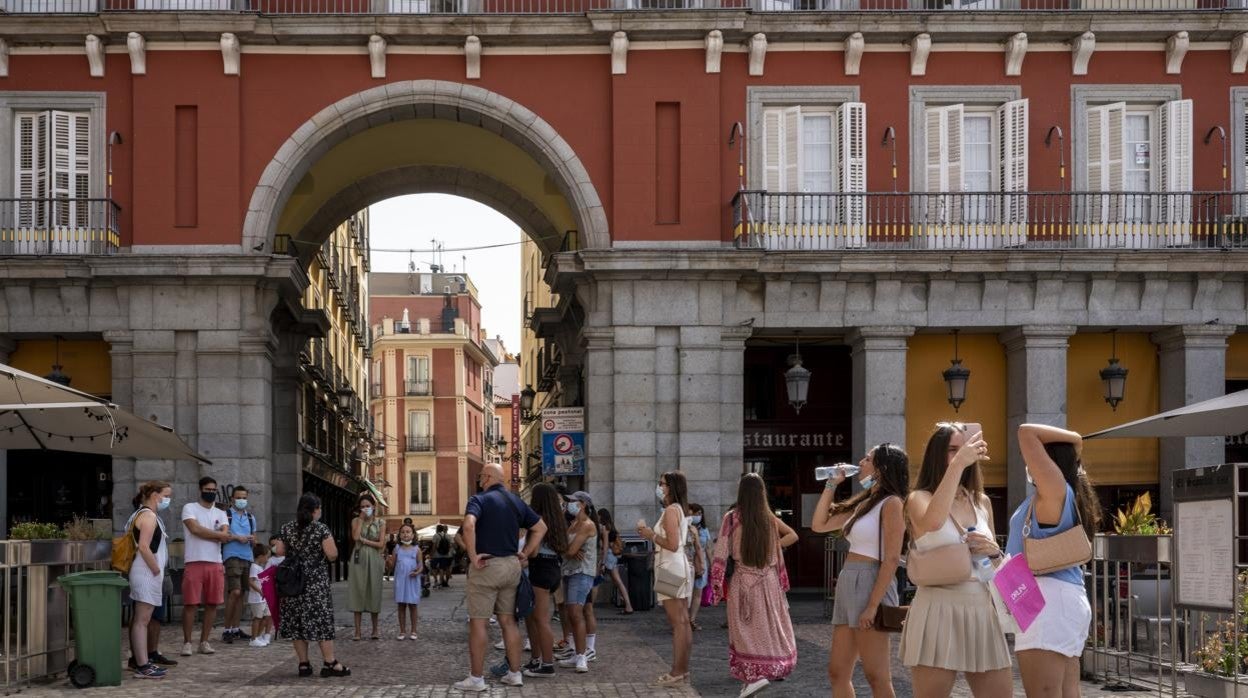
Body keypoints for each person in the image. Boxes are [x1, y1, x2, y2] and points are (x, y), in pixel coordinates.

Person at [900, 423, 1012, 697]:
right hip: (938, 607)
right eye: (952, 449)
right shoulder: (918, 498)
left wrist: (994, 551)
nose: (961, 454)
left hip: (982, 608)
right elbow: (934, 522)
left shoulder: (981, 501)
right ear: (936, 455)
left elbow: (995, 566)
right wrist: (959, 464)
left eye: (964, 448)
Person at [1008, 424, 1102, 698]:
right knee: (1064, 691)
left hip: (1046, 600)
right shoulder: (1060, 494)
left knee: (1044, 692)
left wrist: (1075, 439)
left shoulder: (1055, 491)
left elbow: (1025, 432)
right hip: (1055, 599)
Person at [812, 444, 910, 698]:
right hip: (849, 579)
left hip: (871, 580)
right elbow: (819, 524)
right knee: (837, 671)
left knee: (876, 675)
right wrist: (831, 485)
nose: (861, 462)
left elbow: (890, 559)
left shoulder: (892, 504)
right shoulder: (865, 503)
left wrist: (873, 605)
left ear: (881, 469)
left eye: (868, 458)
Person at [453, 463, 548, 693]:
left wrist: (473, 555)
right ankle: (515, 674)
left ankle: (476, 679)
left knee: (479, 622)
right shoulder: (516, 501)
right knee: (509, 621)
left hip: (487, 566)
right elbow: (541, 527)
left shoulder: (479, 500)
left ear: (486, 478)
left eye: (480, 477)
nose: (480, 481)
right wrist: (525, 554)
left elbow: (468, 525)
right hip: (511, 565)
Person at [710, 473, 799, 698]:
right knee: (766, 630)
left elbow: (720, 551)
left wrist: (716, 584)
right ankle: (755, 681)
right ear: (762, 493)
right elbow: (793, 536)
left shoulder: (731, 518)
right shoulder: (768, 518)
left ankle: (753, 679)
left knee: (743, 632)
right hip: (768, 582)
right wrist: (772, 547)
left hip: (743, 581)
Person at [278, 493, 350, 678]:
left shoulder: (287, 528)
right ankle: (330, 663)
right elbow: (332, 554)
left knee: (297, 623)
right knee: (321, 621)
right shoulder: (320, 529)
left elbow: (279, 551)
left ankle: (303, 664)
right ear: (315, 510)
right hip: (314, 583)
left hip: (293, 582)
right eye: (320, 509)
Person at [637, 470, 694, 687]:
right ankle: (682, 670)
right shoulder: (679, 509)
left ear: (671, 487)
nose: (659, 487)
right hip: (677, 565)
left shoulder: (671, 510)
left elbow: (671, 544)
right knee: (683, 621)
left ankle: (677, 671)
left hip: (670, 566)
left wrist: (650, 534)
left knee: (678, 623)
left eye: (662, 483)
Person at [125, 491, 179, 674]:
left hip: (146, 571)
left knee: (143, 619)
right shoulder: (148, 515)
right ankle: (142, 664)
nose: (167, 499)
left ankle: (143, 661)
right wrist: (155, 568)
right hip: (146, 572)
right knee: (142, 620)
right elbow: (144, 546)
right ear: (155, 495)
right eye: (166, 494)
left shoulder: (141, 514)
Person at [181, 476, 234, 657]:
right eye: (208, 489)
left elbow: (225, 535)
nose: (211, 493)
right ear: (200, 489)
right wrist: (216, 535)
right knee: (191, 603)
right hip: (194, 561)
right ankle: (187, 642)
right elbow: (194, 529)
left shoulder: (220, 513)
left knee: (212, 604)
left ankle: (204, 641)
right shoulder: (189, 508)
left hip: (215, 562)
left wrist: (210, 534)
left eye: (214, 490)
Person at [522, 483, 569, 678]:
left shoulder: (538, 521)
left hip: (539, 568)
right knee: (536, 619)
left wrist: (523, 552)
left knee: (540, 620)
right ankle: (536, 660)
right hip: (553, 568)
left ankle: (547, 664)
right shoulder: (558, 520)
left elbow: (532, 551)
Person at [558, 491, 598, 674]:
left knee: (576, 612)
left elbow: (570, 549)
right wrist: (568, 550)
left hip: (582, 572)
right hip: (569, 571)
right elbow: (565, 549)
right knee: (571, 613)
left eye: (572, 502)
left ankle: (582, 656)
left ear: (582, 504)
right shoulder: (574, 524)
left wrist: (568, 550)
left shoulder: (587, 525)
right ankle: (577, 652)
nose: (568, 505)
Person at [222, 485, 257, 644]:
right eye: (238, 497)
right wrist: (238, 538)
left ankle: (235, 628)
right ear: (232, 499)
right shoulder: (226, 515)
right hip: (232, 555)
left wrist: (252, 539)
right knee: (234, 592)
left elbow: (254, 537)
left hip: (247, 556)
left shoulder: (251, 517)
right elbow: (223, 534)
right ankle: (227, 629)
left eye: (244, 497)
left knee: (242, 593)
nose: (241, 500)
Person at [348, 494, 384, 641]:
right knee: (357, 590)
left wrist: (365, 541)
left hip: (374, 559)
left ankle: (375, 629)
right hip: (358, 557)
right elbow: (355, 537)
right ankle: (357, 631)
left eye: (367, 506)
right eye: (362, 506)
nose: (365, 508)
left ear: (373, 506)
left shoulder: (381, 522)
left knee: (374, 590)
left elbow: (381, 544)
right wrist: (361, 520)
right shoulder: (356, 521)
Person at [390, 523, 424, 640]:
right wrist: (386, 559)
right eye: (403, 532)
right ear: (399, 535)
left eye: (408, 532)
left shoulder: (417, 549)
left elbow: (421, 566)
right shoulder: (397, 549)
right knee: (401, 605)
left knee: (413, 605)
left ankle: (414, 631)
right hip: (400, 580)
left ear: (413, 535)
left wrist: (417, 571)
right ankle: (402, 631)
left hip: (412, 580)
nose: (405, 534)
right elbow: (392, 565)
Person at [597, 509, 634, 615]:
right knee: (617, 581)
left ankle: (628, 605)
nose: (597, 517)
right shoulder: (611, 527)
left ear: (601, 516)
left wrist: (602, 562)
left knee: (599, 580)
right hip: (613, 556)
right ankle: (627, 603)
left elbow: (605, 547)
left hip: (608, 556)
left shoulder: (604, 528)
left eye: (598, 515)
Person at [687, 503, 711, 631]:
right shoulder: (685, 528)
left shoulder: (704, 530)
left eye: (699, 514)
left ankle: (692, 620)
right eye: (694, 514)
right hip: (688, 562)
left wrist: (712, 564)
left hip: (701, 564)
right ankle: (683, 621)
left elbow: (708, 548)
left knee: (698, 593)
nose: (697, 516)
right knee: (686, 594)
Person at [247, 543, 273, 647]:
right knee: (257, 618)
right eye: (266, 556)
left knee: (265, 617)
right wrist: (260, 591)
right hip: (257, 599)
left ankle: (257, 637)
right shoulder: (254, 567)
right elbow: (251, 581)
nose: (267, 559)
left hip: (262, 599)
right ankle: (253, 639)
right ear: (260, 556)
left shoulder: (259, 567)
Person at [431, 524, 455, 588]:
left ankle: (436, 581)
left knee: (433, 568)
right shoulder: (448, 536)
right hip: (446, 555)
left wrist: (431, 554)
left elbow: (434, 546)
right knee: (443, 569)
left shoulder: (436, 535)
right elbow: (451, 545)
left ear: (437, 529)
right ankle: (443, 582)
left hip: (436, 555)